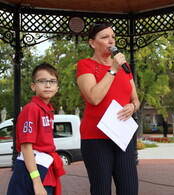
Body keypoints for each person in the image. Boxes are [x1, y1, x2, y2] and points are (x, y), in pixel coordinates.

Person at [76, 21, 139, 195]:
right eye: (105, 37)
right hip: (95, 137)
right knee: (101, 190)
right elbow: (94, 98)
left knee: (130, 189)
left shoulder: (125, 68)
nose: (111, 41)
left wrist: (132, 106)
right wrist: (112, 70)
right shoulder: (85, 65)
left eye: (113, 37)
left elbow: (135, 99)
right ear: (92, 43)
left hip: (122, 135)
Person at [7, 62, 65, 195]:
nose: (48, 85)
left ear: (57, 87)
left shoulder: (48, 110)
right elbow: (26, 147)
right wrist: (37, 182)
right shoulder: (31, 109)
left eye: (52, 81)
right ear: (33, 86)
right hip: (32, 174)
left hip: (46, 171)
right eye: (42, 81)